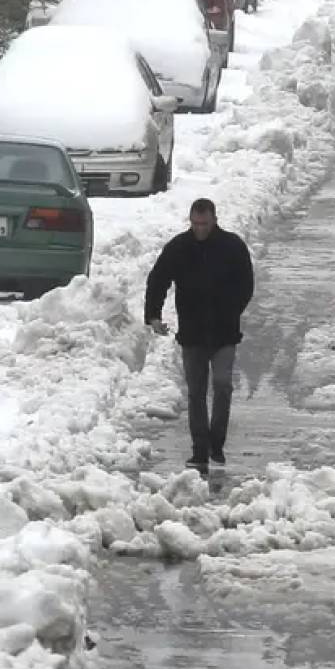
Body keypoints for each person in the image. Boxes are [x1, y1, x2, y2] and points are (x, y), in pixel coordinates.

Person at [145, 198, 254, 469]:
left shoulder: (232, 246)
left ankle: (217, 441)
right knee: (196, 392)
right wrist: (154, 315)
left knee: (222, 385)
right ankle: (199, 449)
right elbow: (158, 278)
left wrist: (232, 311)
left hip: (224, 333)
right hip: (192, 333)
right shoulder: (179, 247)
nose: (199, 229)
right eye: (195, 224)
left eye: (204, 224)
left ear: (214, 220)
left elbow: (246, 284)